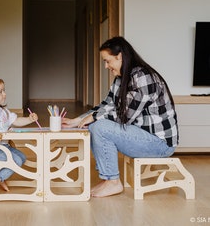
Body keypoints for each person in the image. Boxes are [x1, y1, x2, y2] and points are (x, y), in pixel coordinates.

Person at [62, 36, 178, 198]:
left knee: (99, 126)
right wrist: (77, 121)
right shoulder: (120, 80)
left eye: (107, 61)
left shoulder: (143, 77)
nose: (105, 66)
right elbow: (105, 106)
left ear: (120, 56)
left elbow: (126, 115)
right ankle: (108, 178)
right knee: (94, 124)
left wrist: (95, 117)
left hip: (159, 143)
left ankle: (113, 182)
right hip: (140, 135)